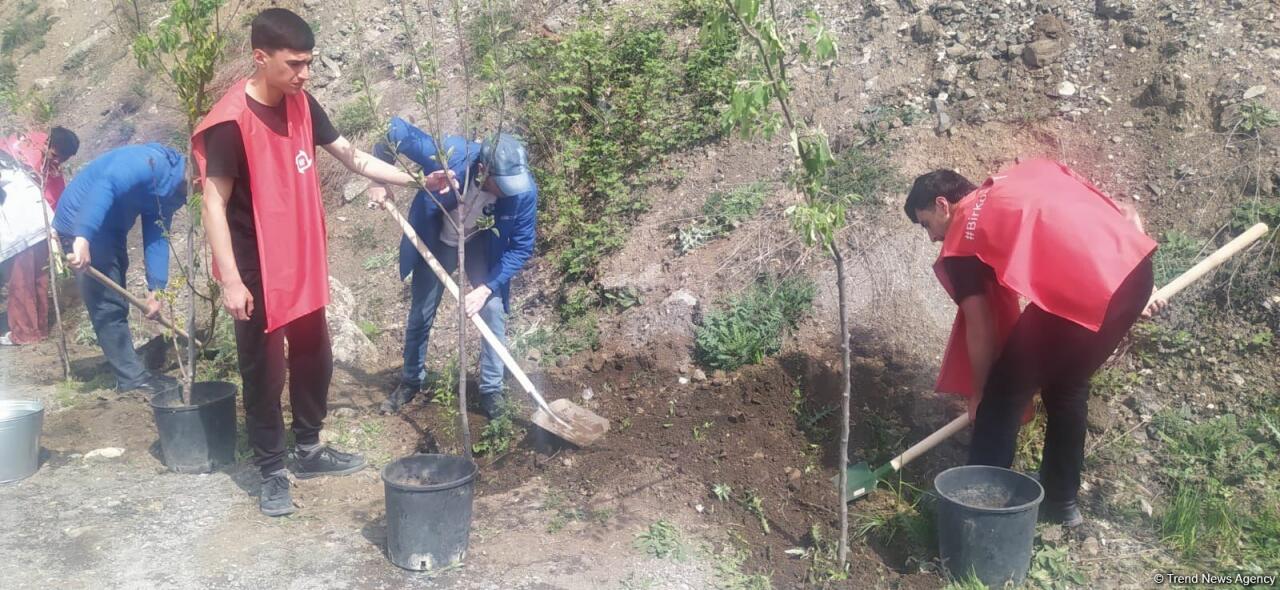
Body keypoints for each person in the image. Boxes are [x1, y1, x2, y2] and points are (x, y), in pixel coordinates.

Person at [193, 8, 455, 517]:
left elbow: (351, 155)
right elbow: (213, 204)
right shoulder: (230, 123)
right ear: (260, 57)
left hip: (302, 258)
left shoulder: (303, 105)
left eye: (309, 63)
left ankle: (309, 449)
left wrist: (418, 180)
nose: (305, 74)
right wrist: (230, 280)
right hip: (256, 268)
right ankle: (272, 470)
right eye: (294, 64)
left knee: (315, 357)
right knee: (264, 373)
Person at [904, 159, 1164, 527]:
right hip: (1135, 274)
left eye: (927, 224)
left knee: (1001, 398)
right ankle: (1061, 502)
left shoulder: (962, 237)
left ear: (943, 205)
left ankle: (977, 514)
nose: (932, 237)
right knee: (1067, 386)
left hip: (1083, 292)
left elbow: (980, 324)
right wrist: (1136, 281)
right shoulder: (1026, 175)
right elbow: (1124, 213)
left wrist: (980, 394)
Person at [369, 119, 538, 420]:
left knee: (492, 309)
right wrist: (378, 180)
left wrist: (486, 288)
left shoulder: (522, 191)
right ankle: (411, 380)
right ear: (483, 170)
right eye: (502, 186)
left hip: (480, 242)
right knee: (422, 312)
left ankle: (491, 390)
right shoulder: (451, 155)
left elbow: (522, 247)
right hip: (437, 239)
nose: (508, 193)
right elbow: (394, 130)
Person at [51, 143, 185, 394]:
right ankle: (131, 378)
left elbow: (158, 233)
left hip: (110, 228)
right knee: (107, 303)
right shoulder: (148, 164)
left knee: (116, 293)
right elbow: (106, 185)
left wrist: (157, 289)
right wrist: (83, 237)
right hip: (80, 222)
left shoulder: (173, 189)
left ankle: (126, 363)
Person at [0, 127, 78, 346]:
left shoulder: (23, 154)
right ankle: (38, 330)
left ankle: (25, 334)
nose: (57, 161)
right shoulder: (23, 153)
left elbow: (56, 196)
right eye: (55, 155)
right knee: (36, 280)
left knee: (22, 282)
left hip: (22, 230)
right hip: (39, 226)